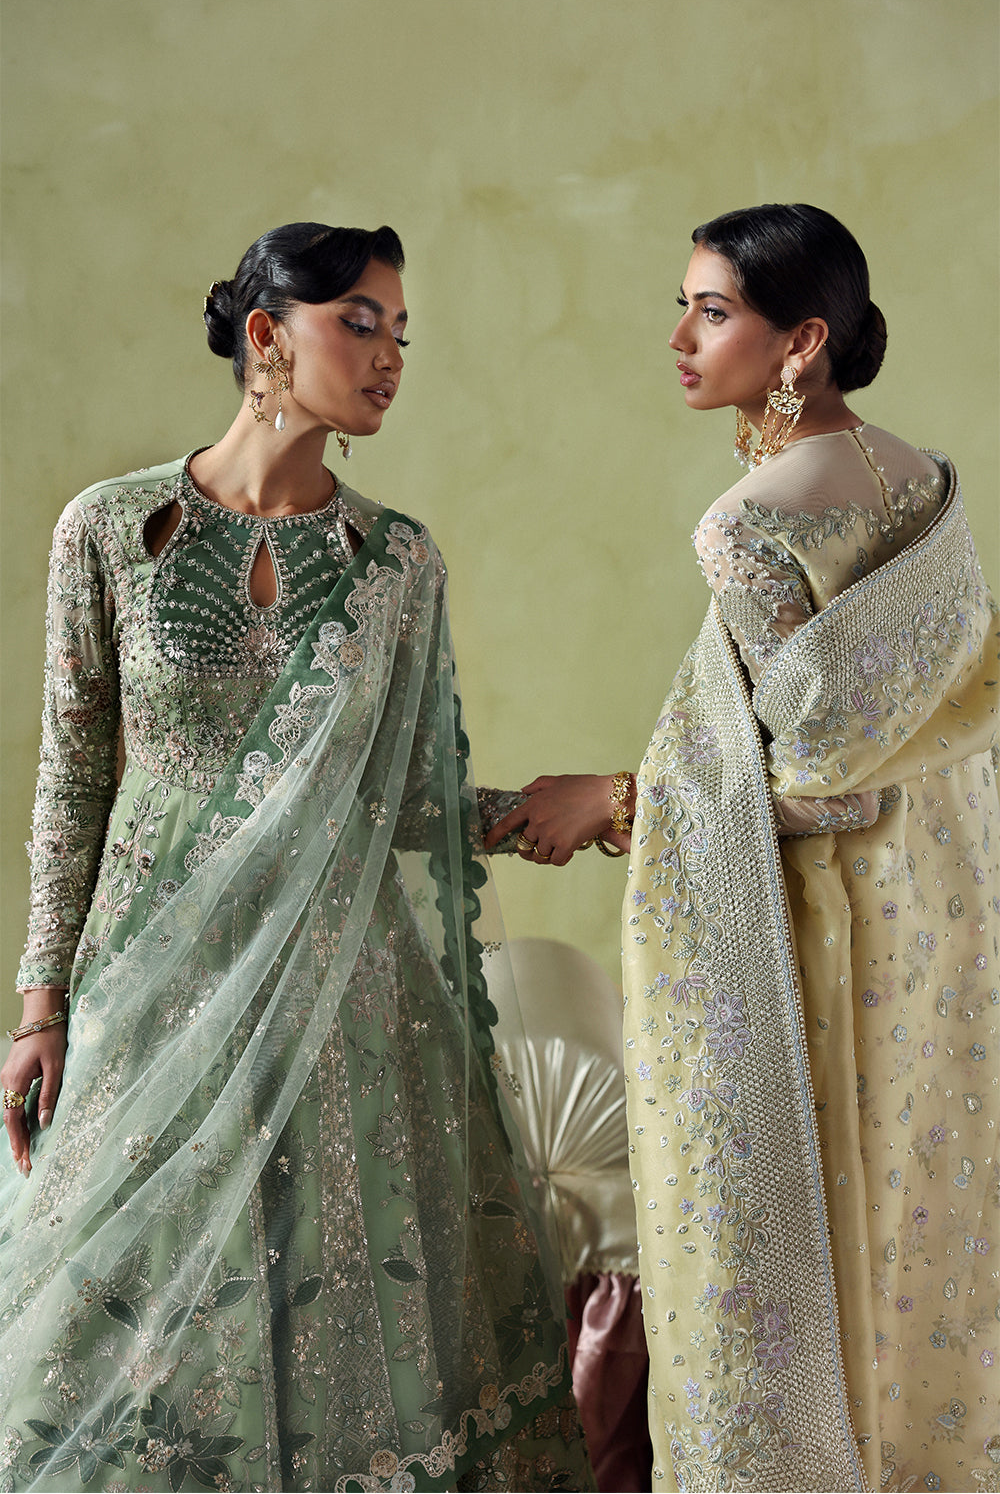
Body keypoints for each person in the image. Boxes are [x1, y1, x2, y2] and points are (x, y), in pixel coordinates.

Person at [0, 222, 593, 1493]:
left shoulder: (398, 562)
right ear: (267, 336)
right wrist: (40, 1005)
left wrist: (556, 808)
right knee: (119, 1338)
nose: (389, 358)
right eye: (360, 324)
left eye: (400, 334)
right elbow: (75, 779)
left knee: (335, 1329)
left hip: (347, 998)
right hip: (156, 988)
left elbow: (404, 798)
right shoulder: (112, 530)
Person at [487, 205, 999, 1490]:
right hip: (935, 926)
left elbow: (816, 788)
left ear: (799, 342)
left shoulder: (749, 522)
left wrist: (614, 800)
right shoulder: (923, 484)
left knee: (800, 1241)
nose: (677, 337)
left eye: (710, 311)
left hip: (814, 947)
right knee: (912, 1229)